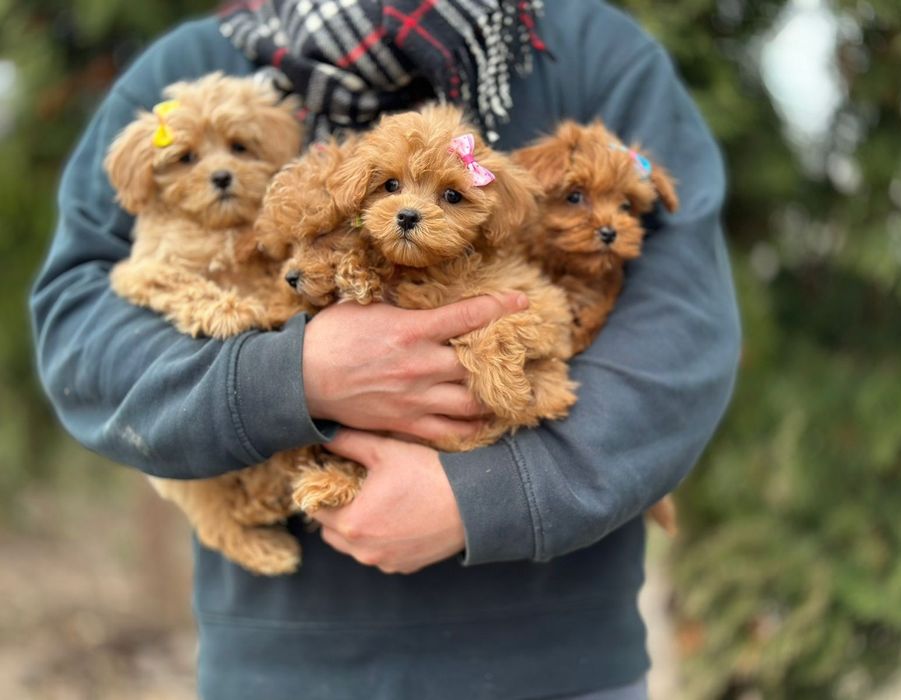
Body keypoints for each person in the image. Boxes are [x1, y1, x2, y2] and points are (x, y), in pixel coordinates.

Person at [30, 1, 740, 698]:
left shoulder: (595, 53)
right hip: (284, 669)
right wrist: (293, 376)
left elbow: (682, 335)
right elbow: (78, 329)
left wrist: (488, 496)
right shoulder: (196, 67)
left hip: (556, 665)